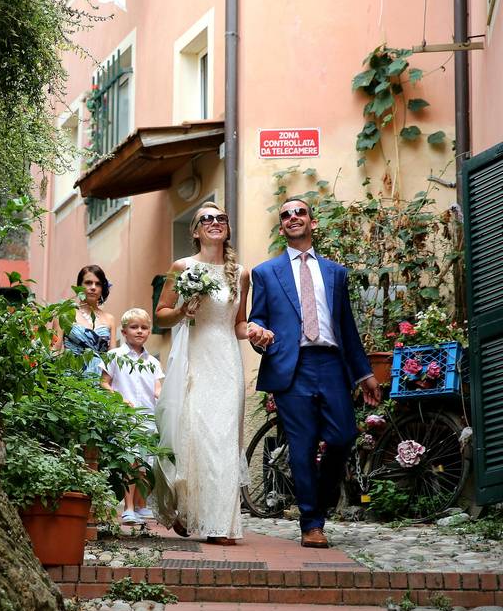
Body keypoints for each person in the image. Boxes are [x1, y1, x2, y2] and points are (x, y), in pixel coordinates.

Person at [247, 198, 381, 549]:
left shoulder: (336, 273)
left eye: (300, 212)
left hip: (331, 364)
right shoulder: (265, 273)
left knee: (343, 435)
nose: (293, 217)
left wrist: (363, 373)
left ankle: (318, 502)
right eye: (286, 215)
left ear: (313, 223)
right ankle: (312, 523)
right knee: (302, 447)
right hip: (291, 367)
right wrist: (258, 332)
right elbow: (258, 317)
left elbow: (347, 327)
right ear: (281, 228)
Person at [151, 202, 253, 545]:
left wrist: (254, 331)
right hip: (193, 357)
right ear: (195, 231)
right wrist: (182, 309)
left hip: (225, 358)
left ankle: (220, 524)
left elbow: (238, 324)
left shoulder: (241, 273)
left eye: (221, 218)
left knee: (224, 439)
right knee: (193, 435)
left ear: (227, 228)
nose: (214, 222)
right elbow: (160, 315)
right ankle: (187, 506)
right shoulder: (181, 267)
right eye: (206, 219)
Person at [101, 308, 165, 525]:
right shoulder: (114, 356)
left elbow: (157, 389)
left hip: (148, 417)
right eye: (134, 327)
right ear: (124, 331)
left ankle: (141, 504)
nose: (139, 331)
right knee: (131, 461)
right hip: (125, 417)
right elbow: (103, 384)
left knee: (147, 462)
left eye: (144, 327)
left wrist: (165, 398)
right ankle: (128, 507)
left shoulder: (153, 362)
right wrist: (118, 400)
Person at [54, 265, 118, 376]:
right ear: (79, 286)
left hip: (99, 382)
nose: (93, 287)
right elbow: (54, 350)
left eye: (98, 284)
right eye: (88, 283)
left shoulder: (110, 319)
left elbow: (112, 358)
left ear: (102, 288)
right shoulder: (64, 314)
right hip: (71, 380)